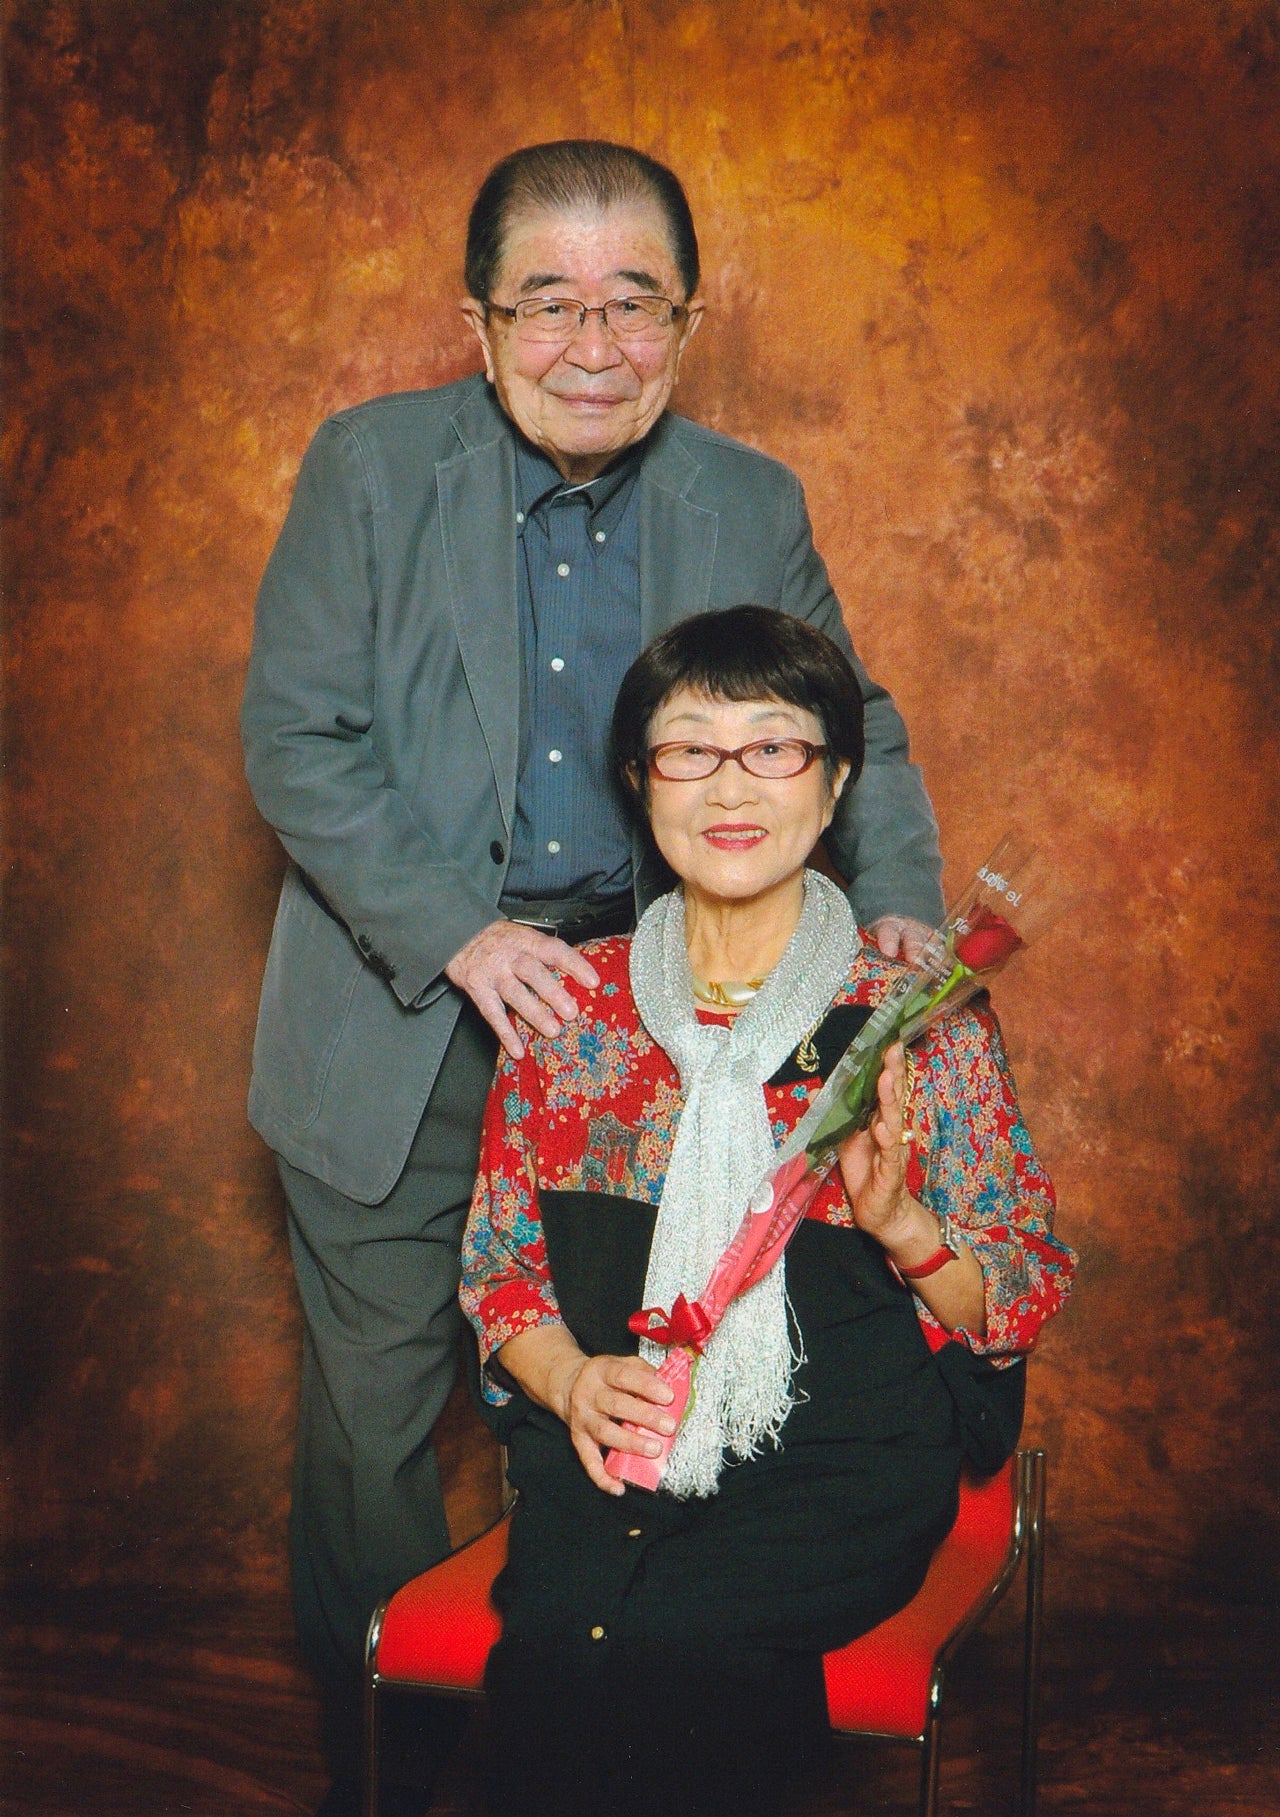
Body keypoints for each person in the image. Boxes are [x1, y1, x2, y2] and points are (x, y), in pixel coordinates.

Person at [241, 141, 945, 1813]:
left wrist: (903, 915)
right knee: (373, 1433)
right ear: (478, 323)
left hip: (658, 1040)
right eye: (547, 304)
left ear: (685, 323)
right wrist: (460, 932)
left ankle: (587, 1742)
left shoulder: (747, 497)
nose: (593, 344)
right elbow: (297, 737)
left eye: (634, 304)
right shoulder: (367, 467)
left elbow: (856, 723)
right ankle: (394, 1775)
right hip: (401, 1020)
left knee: (635, 1399)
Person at [460, 606, 1075, 1817]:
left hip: (839, 1468)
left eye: (773, 745)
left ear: (834, 778)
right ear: (640, 779)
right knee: (565, 1646)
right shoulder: (567, 1012)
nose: (730, 783)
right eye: (689, 746)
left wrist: (901, 1225)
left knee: (682, 1648)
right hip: (612, 1453)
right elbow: (499, 1270)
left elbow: (1014, 1296)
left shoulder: (917, 1019)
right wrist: (571, 1380)